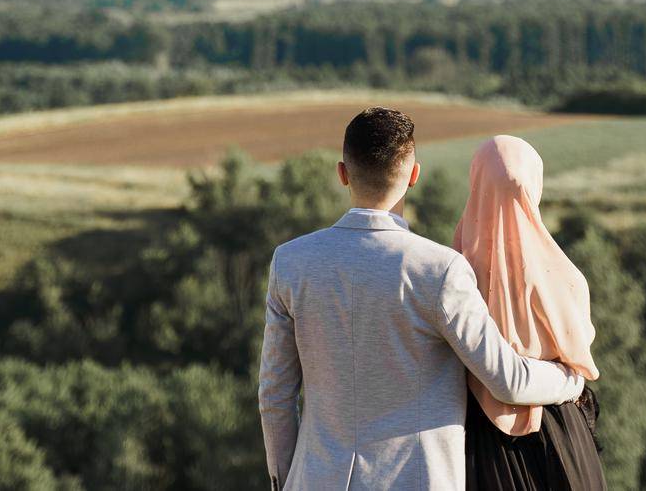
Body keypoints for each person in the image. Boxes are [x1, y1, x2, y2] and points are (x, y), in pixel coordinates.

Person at [258, 107, 585, 491]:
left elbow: (275, 396)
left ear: (342, 173)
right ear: (414, 175)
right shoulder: (440, 270)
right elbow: (507, 381)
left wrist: (285, 479)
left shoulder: (291, 262)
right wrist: (570, 381)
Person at [454, 135, 606, 491]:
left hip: (477, 444)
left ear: (476, 183)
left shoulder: (452, 270)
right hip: (562, 435)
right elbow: (578, 364)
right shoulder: (565, 277)